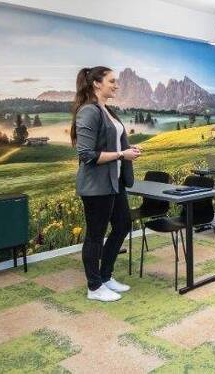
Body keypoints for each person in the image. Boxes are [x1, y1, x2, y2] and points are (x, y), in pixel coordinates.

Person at [71, 66, 141, 302]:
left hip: (114, 182)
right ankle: (94, 287)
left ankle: (105, 276)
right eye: (111, 81)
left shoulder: (107, 110)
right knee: (95, 235)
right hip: (96, 185)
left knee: (122, 225)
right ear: (96, 84)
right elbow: (86, 154)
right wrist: (122, 154)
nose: (116, 85)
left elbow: (114, 143)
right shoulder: (88, 111)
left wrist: (127, 150)